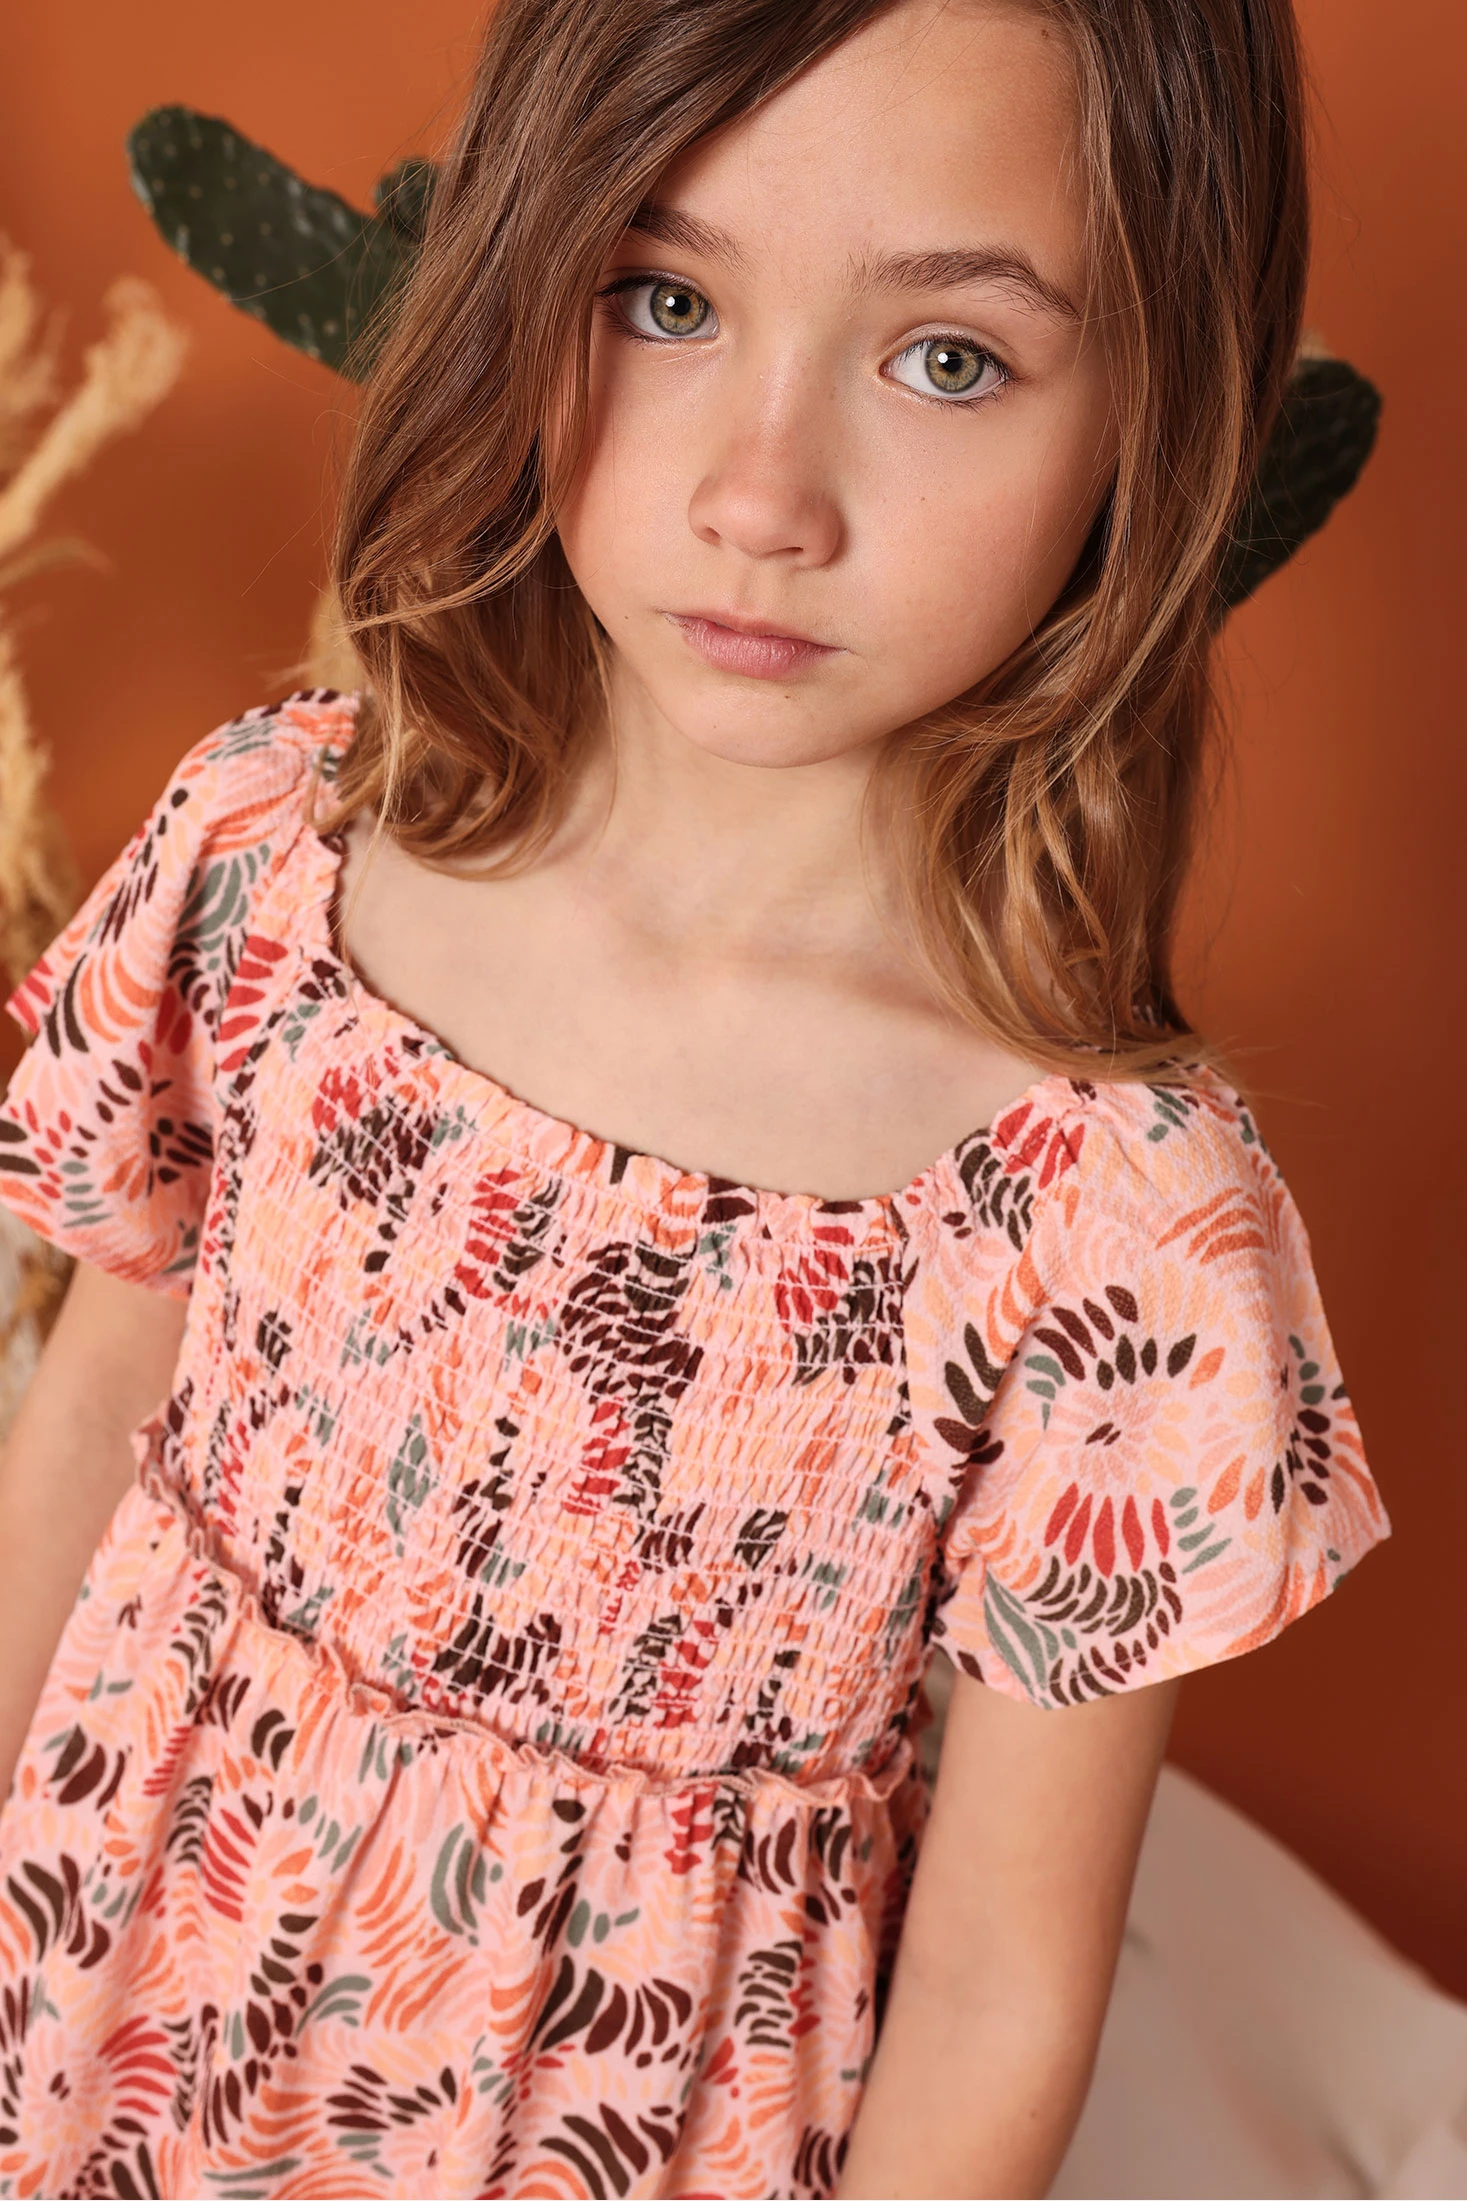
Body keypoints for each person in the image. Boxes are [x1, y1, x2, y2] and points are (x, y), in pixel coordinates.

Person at [0, 0, 1392, 2193]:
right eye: (664, 301)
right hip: (85, 2033)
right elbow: (89, 1425)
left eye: (948, 359)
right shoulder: (277, 857)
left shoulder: (1115, 1223)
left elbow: (998, 1996)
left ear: (1156, 422)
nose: (761, 497)